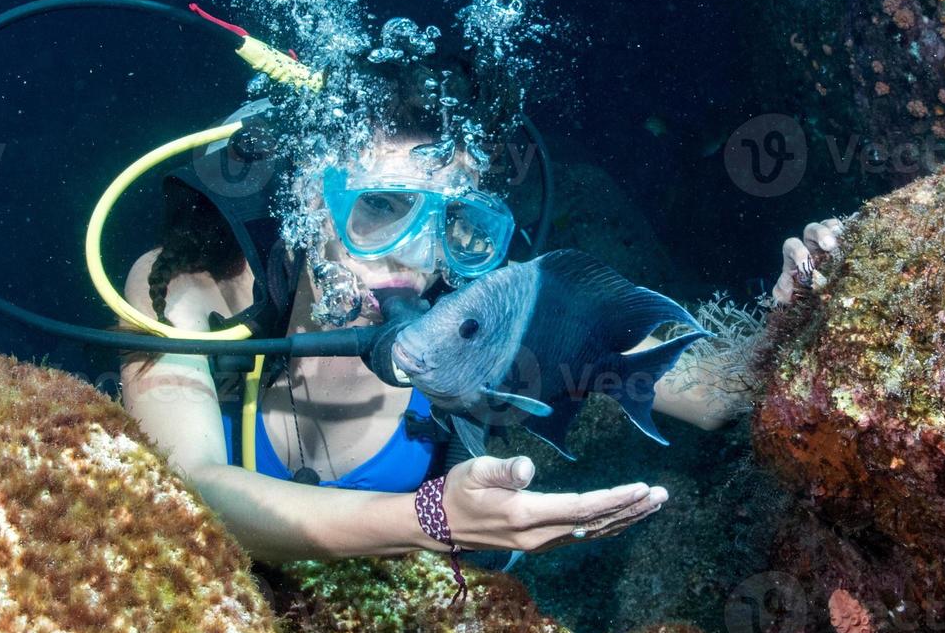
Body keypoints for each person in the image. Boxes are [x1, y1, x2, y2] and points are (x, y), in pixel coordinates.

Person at [118, 92, 776, 567]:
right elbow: (190, 491)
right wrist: (431, 521)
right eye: (379, 206)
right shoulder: (193, 286)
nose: (415, 255)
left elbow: (716, 394)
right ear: (308, 198)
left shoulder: (483, 314)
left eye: (452, 223)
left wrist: (805, 310)